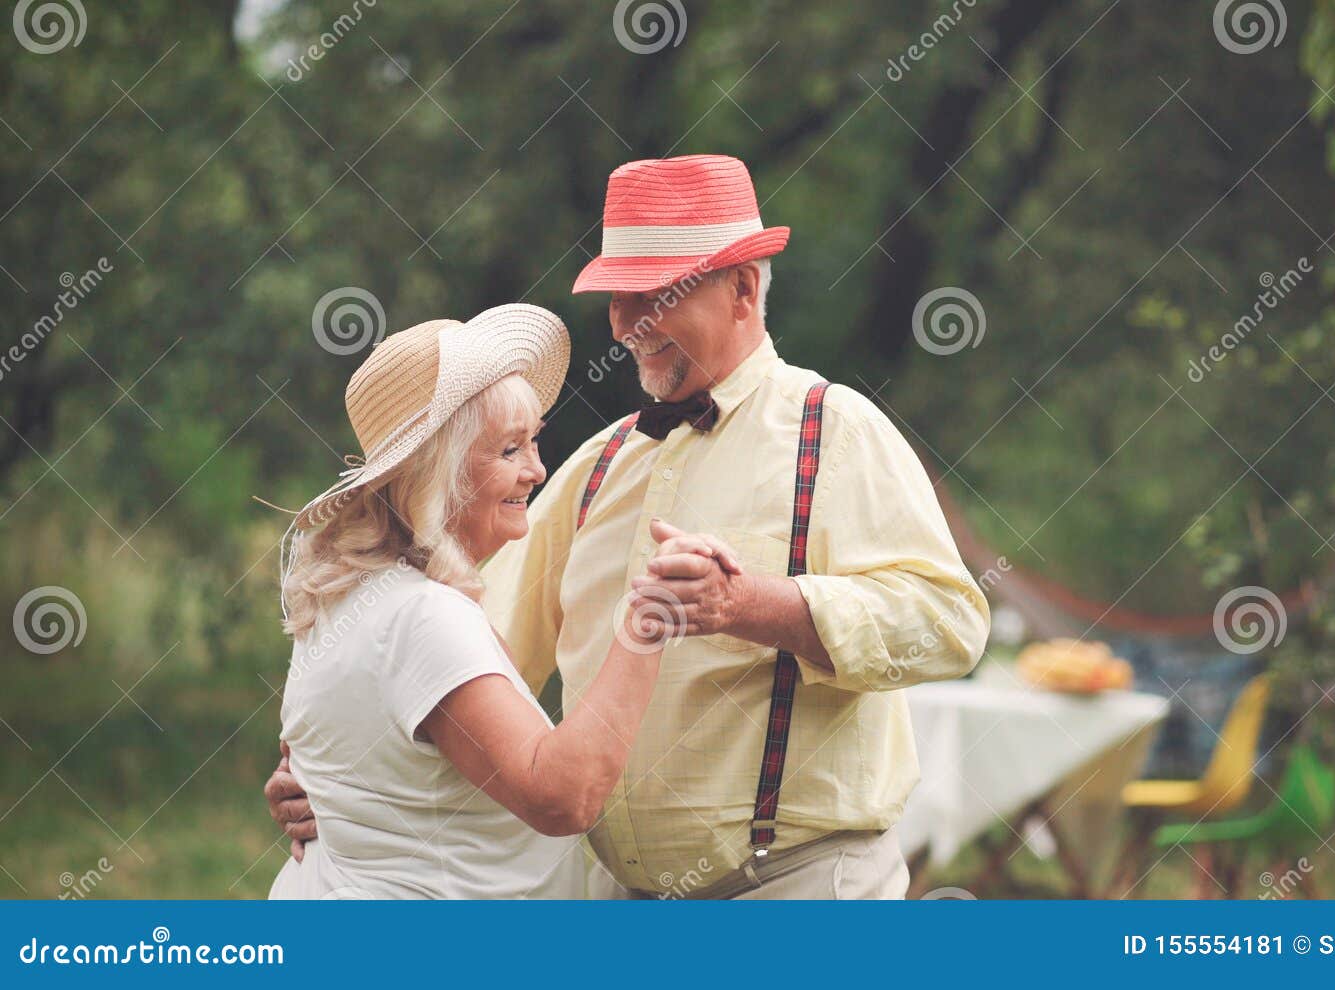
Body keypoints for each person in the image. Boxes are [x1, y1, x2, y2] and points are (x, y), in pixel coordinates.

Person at [269, 154, 991, 899]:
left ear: (743, 288)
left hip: (799, 893)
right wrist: (330, 769)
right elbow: (460, 652)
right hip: (615, 899)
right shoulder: (595, 466)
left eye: (655, 294)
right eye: (617, 296)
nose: (623, 323)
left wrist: (749, 606)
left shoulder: (834, 431)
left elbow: (950, 623)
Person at [265, 304, 738, 898]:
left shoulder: (347, 597)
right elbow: (565, 797)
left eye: (533, 443)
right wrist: (648, 617)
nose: (537, 470)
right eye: (509, 451)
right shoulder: (422, 616)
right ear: (435, 472)